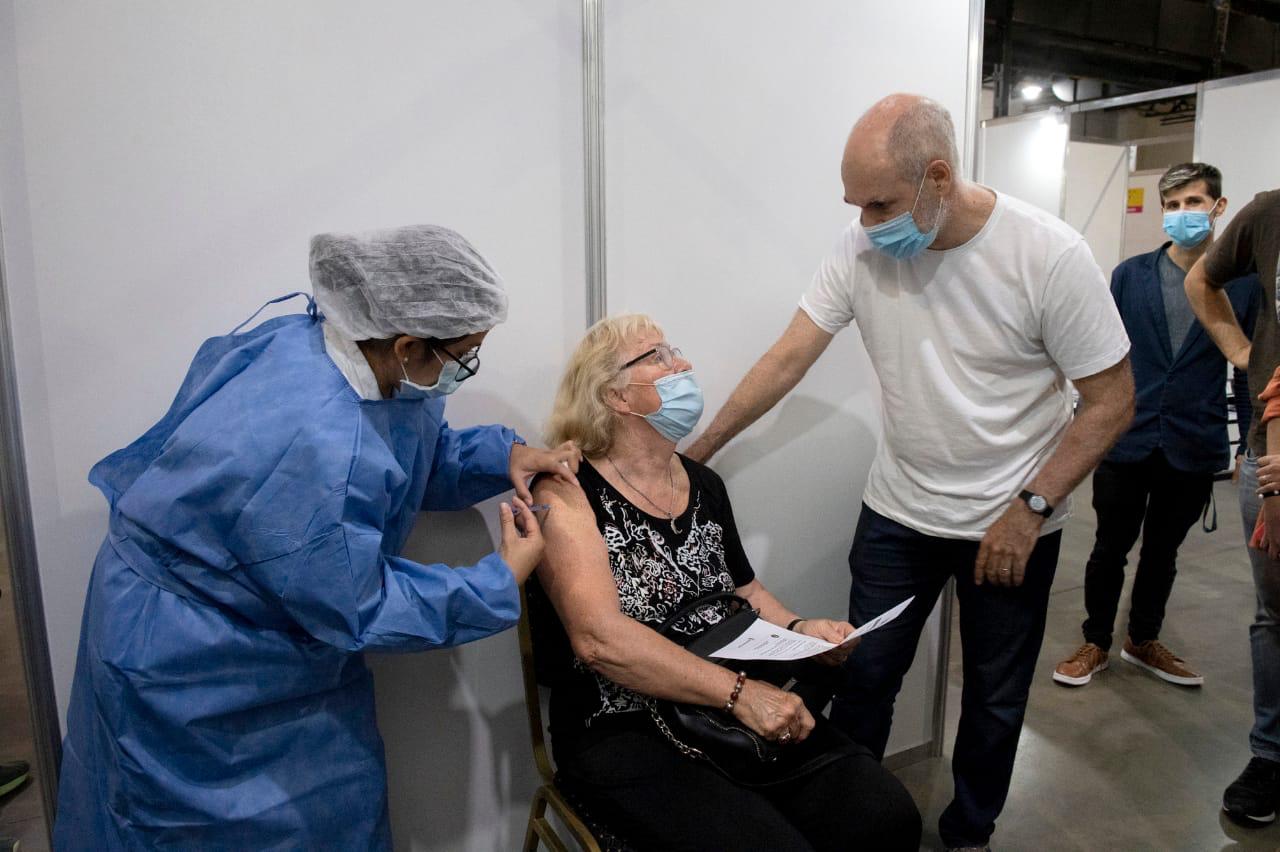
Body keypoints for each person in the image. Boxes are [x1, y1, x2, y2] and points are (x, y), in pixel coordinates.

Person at [686, 94, 1135, 851]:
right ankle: (850, 823)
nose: (867, 224)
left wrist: (1031, 506)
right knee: (862, 677)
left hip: (1010, 524)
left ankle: (969, 833)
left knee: (993, 698)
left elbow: (1112, 399)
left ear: (938, 176)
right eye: (856, 206)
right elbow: (788, 357)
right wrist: (697, 453)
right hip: (898, 516)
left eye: (881, 205)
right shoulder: (859, 250)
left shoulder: (1048, 255)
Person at [53, 225, 582, 850]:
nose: (466, 369)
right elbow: (359, 603)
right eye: (464, 355)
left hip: (256, 629)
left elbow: (404, 454)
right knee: (191, 826)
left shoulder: (344, 353)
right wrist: (497, 579)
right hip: (189, 658)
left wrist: (501, 456)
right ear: (408, 345)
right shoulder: (318, 441)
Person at [529, 314, 922, 852]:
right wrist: (739, 695)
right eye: (659, 356)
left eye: (675, 350)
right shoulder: (566, 492)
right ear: (614, 394)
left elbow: (746, 593)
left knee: (886, 816)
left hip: (728, 704)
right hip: (623, 723)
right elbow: (600, 641)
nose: (683, 364)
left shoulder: (703, 482)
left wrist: (803, 630)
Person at [1053, 162, 1258, 689]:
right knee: (1109, 548)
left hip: (1193, 440)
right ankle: (1096, 641)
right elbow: (1103, 354)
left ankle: (1142, 639)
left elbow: (1248, 371)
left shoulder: (1244, 285)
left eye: (1193, 202)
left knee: (1162, 553)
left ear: (1218, 207)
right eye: (1172, 205)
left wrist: (1249, 445)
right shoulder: (1131, 275)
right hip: (1128, 435)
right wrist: (1088, 422)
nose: (1181, 213)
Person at [1185, 188, 1280, 828]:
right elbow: (1203, 279)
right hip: (1270, 458)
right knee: (1275, 615)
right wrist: (1245, 353)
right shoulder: (1270, 213)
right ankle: (1270, 755)